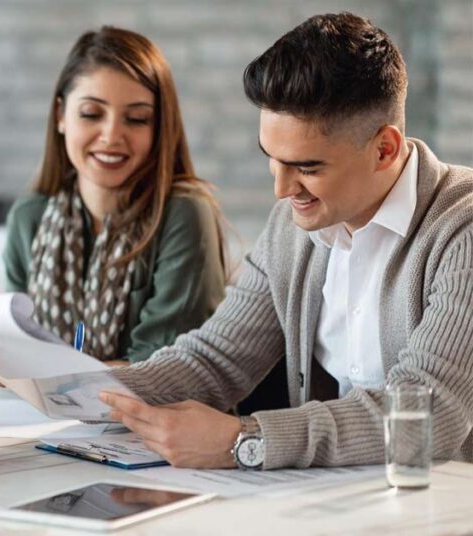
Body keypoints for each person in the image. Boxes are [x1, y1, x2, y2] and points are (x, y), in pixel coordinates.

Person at [100, 12, 473, 470]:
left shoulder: (462, 230)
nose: (281, 190)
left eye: (307, 167)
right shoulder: (293, 225)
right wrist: (65, 384)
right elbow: (214, 360)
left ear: (385, 149)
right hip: (341, 501)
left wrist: (244, 441)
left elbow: (429, 413)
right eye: (272, 160)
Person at [3, 26, 228, 366]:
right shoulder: (28, 217)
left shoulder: (184, 214)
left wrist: (45, 374)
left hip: (159, 416)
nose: (111, 136)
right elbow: (15, 344)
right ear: (61, 116)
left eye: (137, 119)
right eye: (91, 114)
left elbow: (163, 367)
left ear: (159, 128)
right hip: (48, 415)